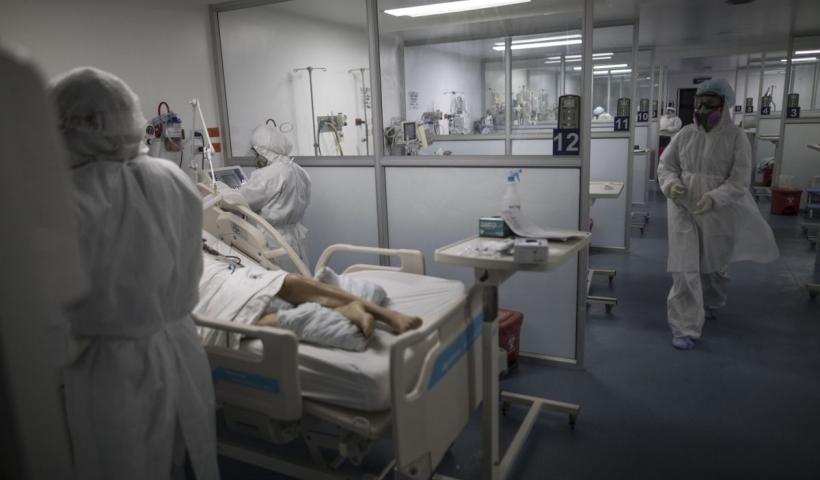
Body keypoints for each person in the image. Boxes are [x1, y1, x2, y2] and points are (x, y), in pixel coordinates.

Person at [51, 67, 219, 479]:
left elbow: (51, 303)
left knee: (121, 464)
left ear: (67, 127)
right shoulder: (173, 177)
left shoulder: (69, 198)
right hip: (180, 348)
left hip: (110, 368)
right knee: (181, 457)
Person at [657, 78, 778, 350]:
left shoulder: (736, 138)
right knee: (684, 267)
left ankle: (713, 299)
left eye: (709, 104)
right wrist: (671, 184)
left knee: (713, 263)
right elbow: (666, 166)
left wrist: (715, 198)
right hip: (682, 206)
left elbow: (739, 180)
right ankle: (685, 327)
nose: (702, 110)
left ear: (724, 106)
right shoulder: (685, 134)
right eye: (699, 103)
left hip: (718, 209)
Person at [196, 249, 422, 352]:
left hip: (216, 284)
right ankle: (379, 314)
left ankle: (359, 313)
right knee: (288, 283)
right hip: (225, 280)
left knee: (243, 318)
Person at [238, 122, 311, 262]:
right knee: (298, 272)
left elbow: (241, 200)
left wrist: (220, 192)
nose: (256, 158)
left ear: (262, 152)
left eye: (256, 154)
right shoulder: (299, 171)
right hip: (294, 237)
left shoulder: (267, 174)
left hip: (272, 240)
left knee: (279, 274)